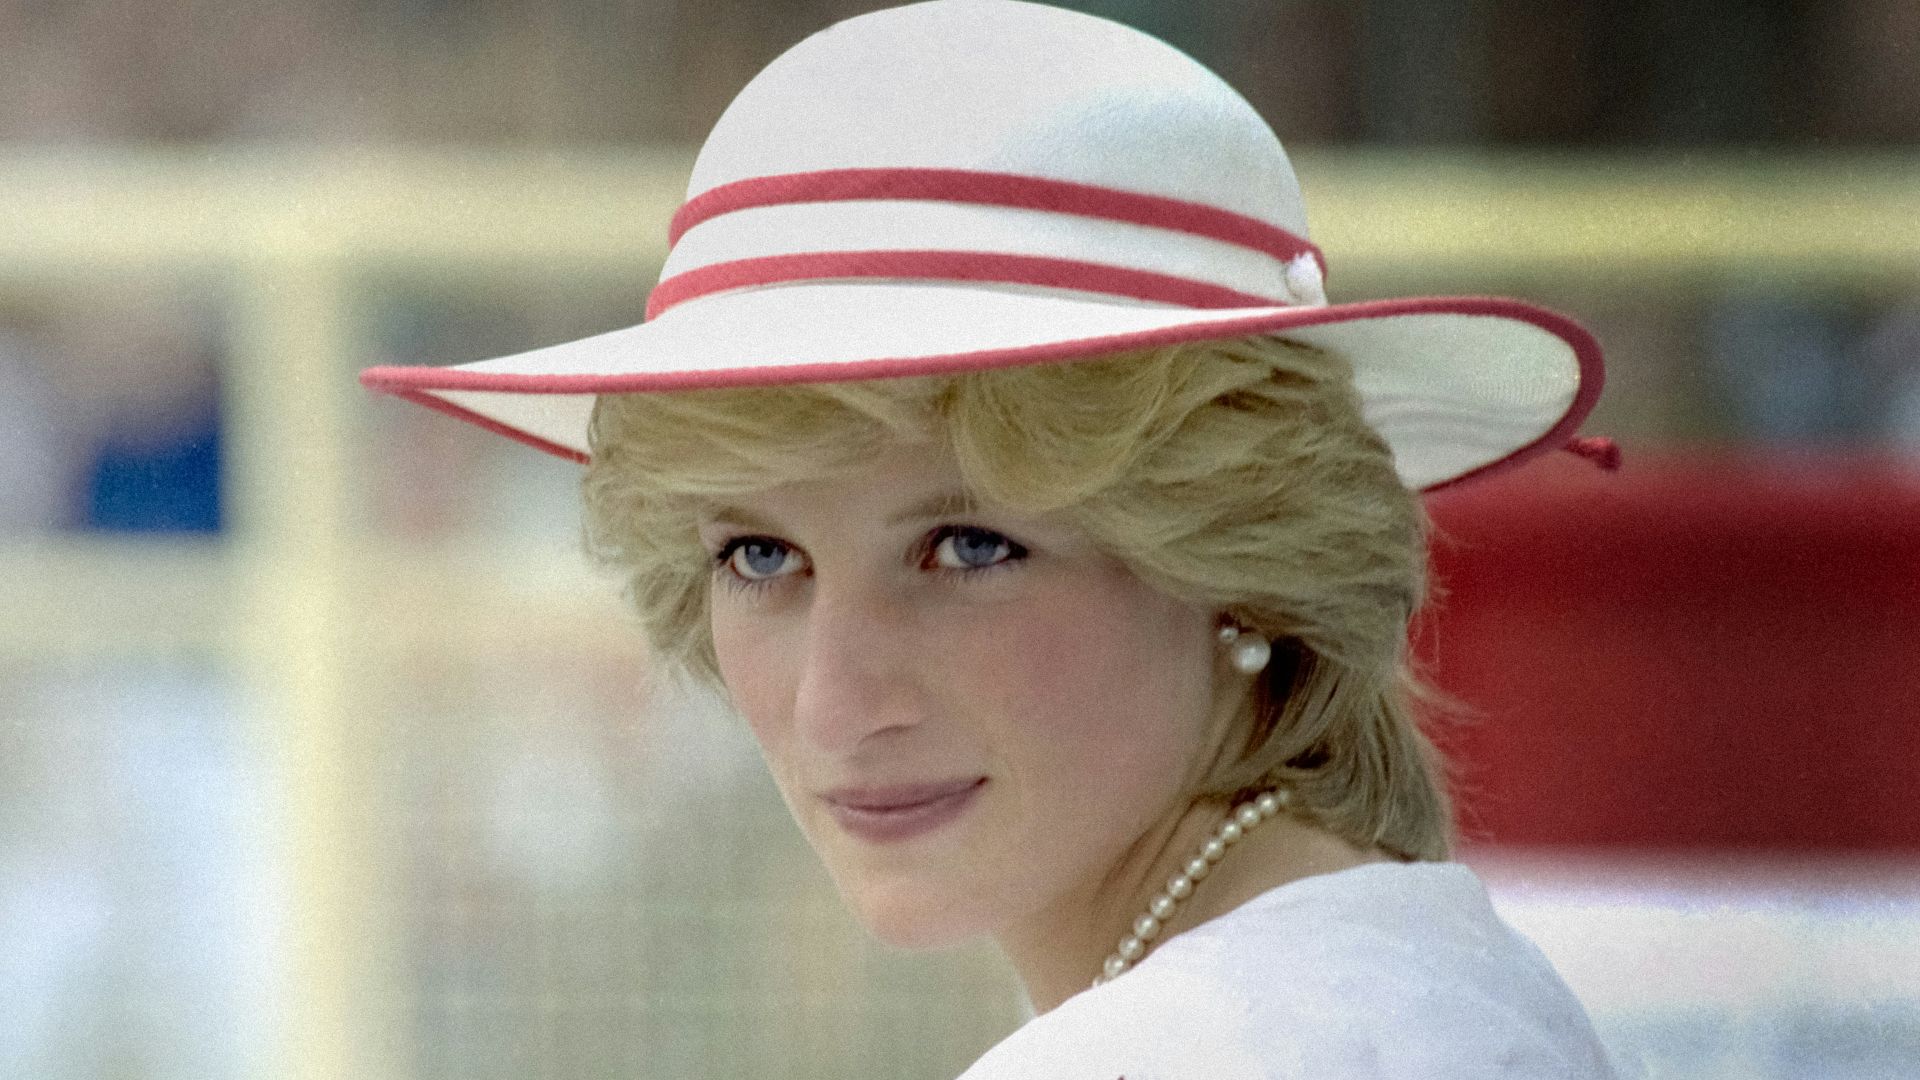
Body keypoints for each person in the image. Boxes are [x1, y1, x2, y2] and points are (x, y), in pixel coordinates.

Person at [362, 1, 1622, 1076]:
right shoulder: (1420, 970)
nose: (837, 701)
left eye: (967, 549)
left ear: (1245, 563)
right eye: (760, 557)